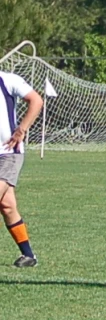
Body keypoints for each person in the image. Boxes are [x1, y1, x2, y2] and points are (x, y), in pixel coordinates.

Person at [0, 70, 43, 267]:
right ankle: (29, 255)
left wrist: (22, 129)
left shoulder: (8, 80)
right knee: (7, 206)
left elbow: (36, 101)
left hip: (8, 153)